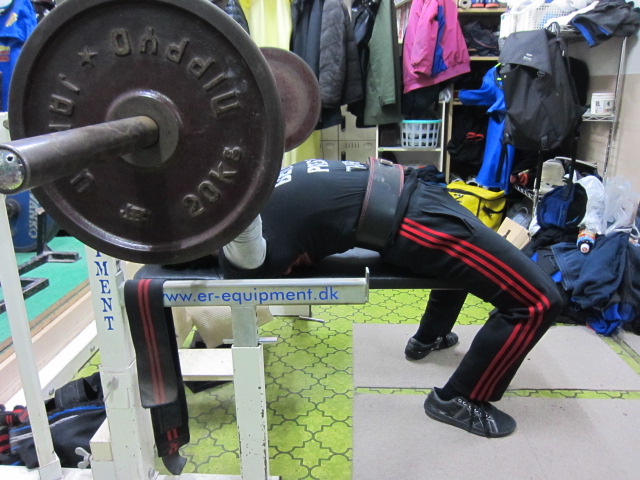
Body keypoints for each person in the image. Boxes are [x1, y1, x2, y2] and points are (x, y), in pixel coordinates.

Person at [219, 158, 564, 438]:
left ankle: (429, 337)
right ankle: (459, 398)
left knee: (469, 261)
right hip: (410, 216)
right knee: (538, 302)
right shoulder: (248, 242)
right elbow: (252, 250)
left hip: (415, 194)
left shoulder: (251, 208)